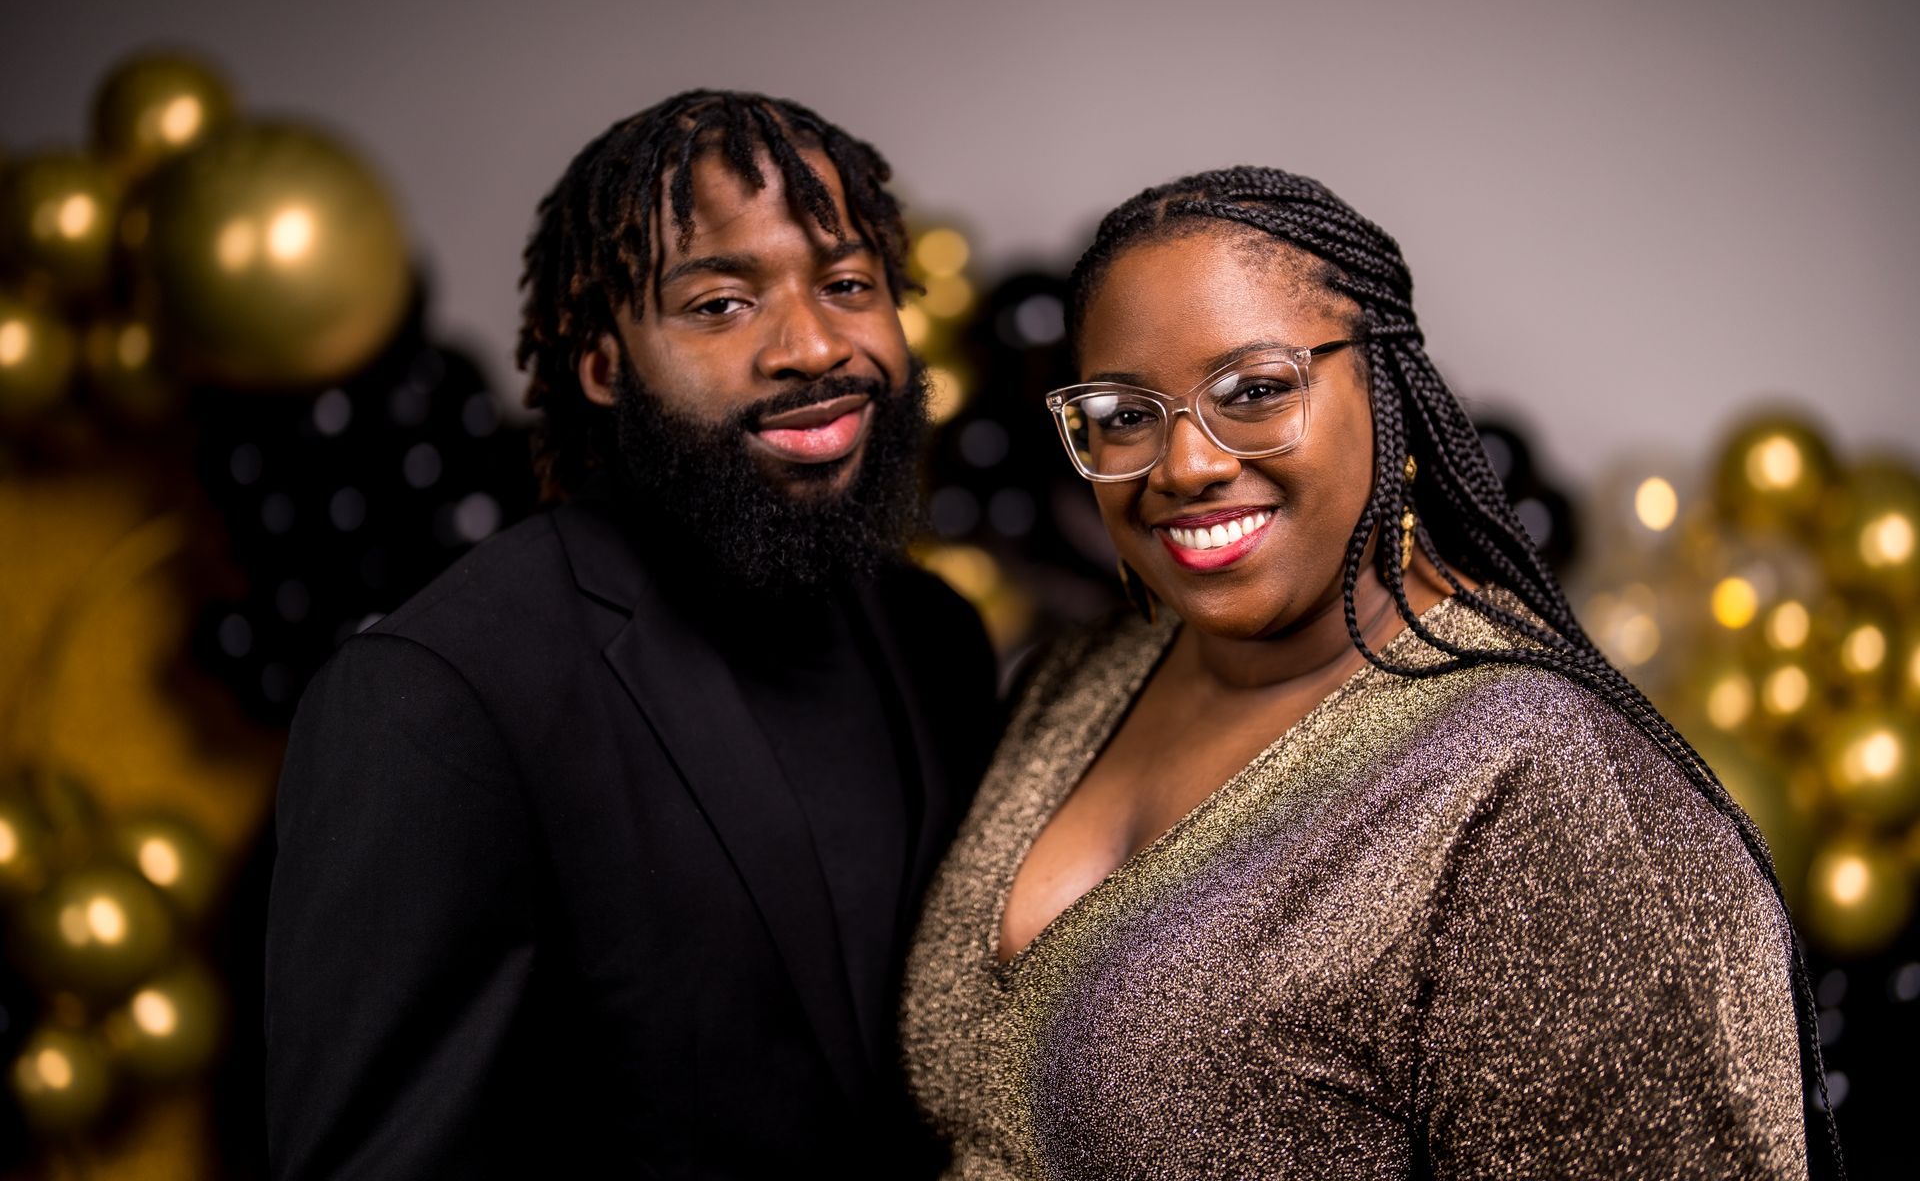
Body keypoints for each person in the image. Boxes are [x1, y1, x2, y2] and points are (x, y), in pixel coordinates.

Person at [899, 167, 1840, 1179]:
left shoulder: (1546, 785)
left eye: (1255, 391)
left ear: (1383, 387)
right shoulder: (1080, 675)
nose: (1183, 465)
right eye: (1126, 414)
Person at [265, 91, 998, 1178]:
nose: (812, 346)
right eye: (719, 303)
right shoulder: (433, 696)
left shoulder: (937, 638)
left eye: (849, 286)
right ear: (604, 362)